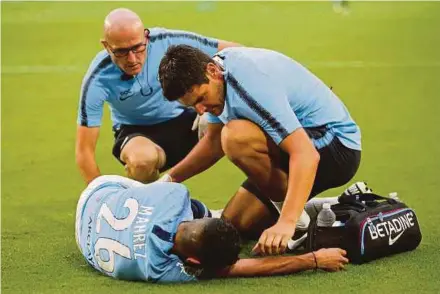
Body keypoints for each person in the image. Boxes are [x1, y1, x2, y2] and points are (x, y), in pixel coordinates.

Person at [158, 45, 362, 256]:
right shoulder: (217, 79)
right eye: (193, 106)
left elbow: (306, 154)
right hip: (293, 145)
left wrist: (287, 222)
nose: (200, 110)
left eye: (201, 99)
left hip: (334, 145)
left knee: (235, 137)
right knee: (236, 223)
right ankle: (322, 207)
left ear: (212, 71)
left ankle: (296, 219)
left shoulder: (249, 83)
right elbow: (213, 142)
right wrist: (167, 181)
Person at [75, 175, 349, 283]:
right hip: (98, 199)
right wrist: (312, 260)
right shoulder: (162, 269)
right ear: (193, 261)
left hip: (98, 194)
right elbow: (240, 269)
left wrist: (314, 259)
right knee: (203, 209)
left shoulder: (173, 196)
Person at [76, 8, 240, 185]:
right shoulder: (98, 77)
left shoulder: (167, 41)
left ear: (146, 36)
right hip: (137, 132)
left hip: (189, 120)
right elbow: (84, 151)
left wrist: (211, 110)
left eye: (138, 48)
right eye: (121, 51)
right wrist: (99, 199)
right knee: (141, 162)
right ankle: (148, 210)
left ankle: (263, 197)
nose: (132, 59)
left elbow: (235, 52)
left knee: (235, 130)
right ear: (106, 46)